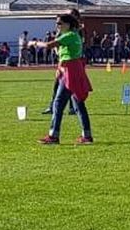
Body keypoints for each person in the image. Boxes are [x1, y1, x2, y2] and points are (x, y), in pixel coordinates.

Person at [36, 13, 93, 145]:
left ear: (68, 24)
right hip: (73, 70)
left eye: (59, 23)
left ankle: (53, 135)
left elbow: (49, 45)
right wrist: (59, 68)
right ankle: (87, 135)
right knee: (78, 104)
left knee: (58, 103)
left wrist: (34, 43)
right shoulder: (74, 35)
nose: (57, 26)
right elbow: (64, 54)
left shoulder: (69, 35)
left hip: (70, 71)